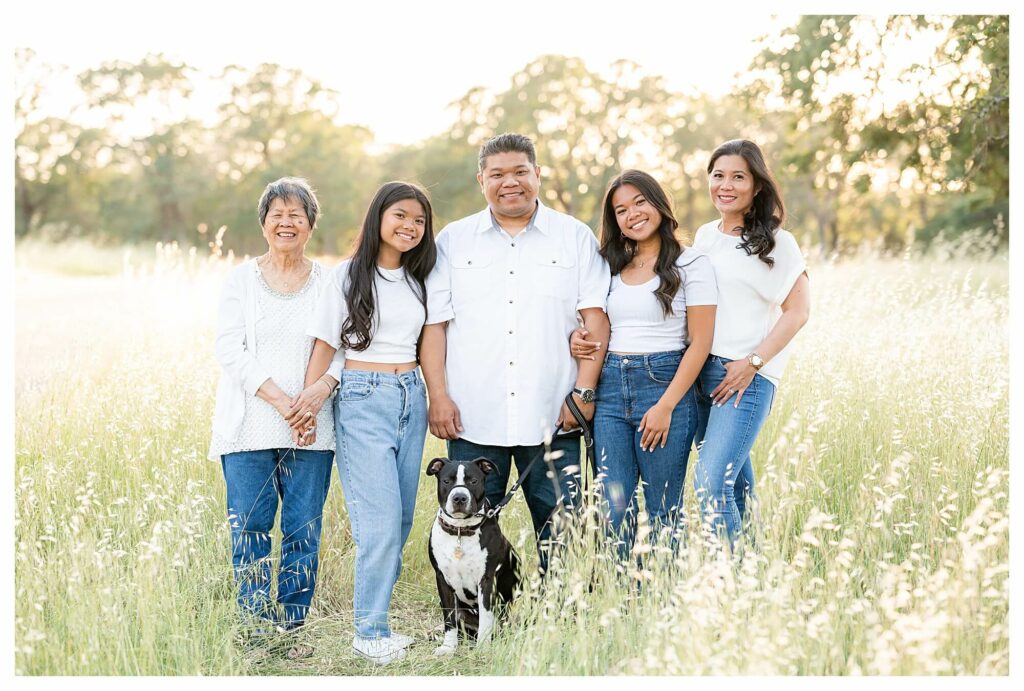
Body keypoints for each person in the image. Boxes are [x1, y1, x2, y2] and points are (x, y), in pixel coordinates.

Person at [421, 132, 611, 575]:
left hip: (555, 414)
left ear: (538, 174)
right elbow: (435, 326)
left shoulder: (574, 237)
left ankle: (561, 618)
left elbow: (596, 319)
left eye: (520, 172)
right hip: (474, 415)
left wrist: (583, 392)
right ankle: (479, 620)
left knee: (564, 528)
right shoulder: (454, 240)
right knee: (468, 530)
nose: (510, 182)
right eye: (498, 174)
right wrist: (439, 396)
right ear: (481, 180)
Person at [300, 181, 436, 666]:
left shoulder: (422, 278)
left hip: (411, 397)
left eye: (419, 221)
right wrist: (309, 408)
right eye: (400, 215)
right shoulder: (347, 276)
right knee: (377, 526)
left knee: (398, 521)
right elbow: (324, 346)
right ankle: (368, 631)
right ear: (378, 217)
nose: (409, 227)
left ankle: (377, 623)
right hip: (362, 397)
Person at [209, 177, 339, 651]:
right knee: (250, 527)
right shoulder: (241, 280)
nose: (286, 223)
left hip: (312, 428)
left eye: (296, 215)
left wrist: (319, 390)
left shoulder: (330, 282)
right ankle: (256, 629)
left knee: (304, 529)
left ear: (310, 225)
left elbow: (345, 346)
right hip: (248, 426)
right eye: (277, 215)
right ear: (263, 223)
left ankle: (294, 628)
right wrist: (284, 402)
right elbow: (229, 348)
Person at [581, 170, 716, 560]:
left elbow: (701, 342)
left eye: (640, 202)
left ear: (658, 203)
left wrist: (666, 405)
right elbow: (596, 322)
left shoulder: (692, 263)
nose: (632, 214)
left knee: (663, 510)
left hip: (663, 384)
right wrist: (578, 337)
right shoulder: (608, 264)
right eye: (621, 209)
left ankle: (662, 605)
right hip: (609, 392)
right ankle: (624, 605)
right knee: (615, 508)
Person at [691, 139, 809, 543]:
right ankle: (752, 579)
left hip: (746, 376)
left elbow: (798, 311)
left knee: (709, 484)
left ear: (756, 185)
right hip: (700, 373)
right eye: (718, 175)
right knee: (735, 487)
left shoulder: (778, 243)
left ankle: (728, 579)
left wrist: (754, 362)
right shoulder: (705, 236)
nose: (726, 185)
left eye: (738, 176)